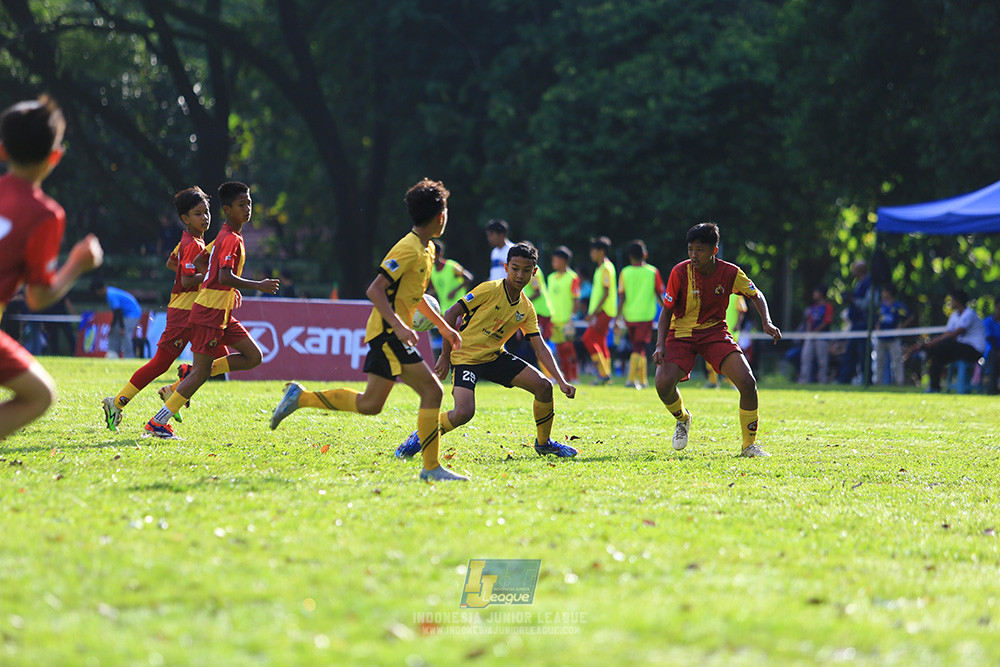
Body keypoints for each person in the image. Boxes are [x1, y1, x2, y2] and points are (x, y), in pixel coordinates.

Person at [269, 179, 466, 482]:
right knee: (432, 390)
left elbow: (415, 300)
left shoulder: (426, 250)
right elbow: (375, 290)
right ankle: (430, 468)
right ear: (440, 215)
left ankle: (301, 397)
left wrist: (444, 329)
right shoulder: (407, 248)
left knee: (370, 405)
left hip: (390, 333)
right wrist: (399, 326)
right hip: (388, 333)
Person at [393, 242, 578, 460]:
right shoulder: (489, 289)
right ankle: (421, 435)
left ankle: (544, 443)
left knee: (544, 387)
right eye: (515, 268)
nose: (520, 275)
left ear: (534, 273)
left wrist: (561, 380)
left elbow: (540, 347)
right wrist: (445, 355)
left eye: (526, 270)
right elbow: (451, 314)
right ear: (506, 267)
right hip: (466, 357)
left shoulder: (526, 308)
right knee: (463, 412)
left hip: (494, 356)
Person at [0, 95, 103, 439]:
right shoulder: (45, 214)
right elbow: (38, 298)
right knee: (40, 395)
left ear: (3, 151)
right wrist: (77, 264)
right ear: (55, 156)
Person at [143, 181, 280, 437]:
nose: (248, 209)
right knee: (202, 372)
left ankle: (185, 376)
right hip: (210, 313)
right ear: (227, 209)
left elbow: (200, 261)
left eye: (249, 203)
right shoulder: (229, 238)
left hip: (222, 312)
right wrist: (256, 285)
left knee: (254, 357)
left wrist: (214, 281)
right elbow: (225, 275)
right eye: (242, 205)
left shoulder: (226, 236)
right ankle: (158, 422)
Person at [102, 186, 229, 431]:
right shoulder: (192, 244)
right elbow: (185, 280)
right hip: (185, 313)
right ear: (185, 219)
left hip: (195, 311)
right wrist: (209, 275)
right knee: (164, 364)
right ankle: (118, 402)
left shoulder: (191, 242)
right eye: (198, 213)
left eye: (206, 212)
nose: (205, 217)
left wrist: (194, 271)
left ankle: (174, 387)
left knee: (216, 355)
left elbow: (172, 263)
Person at [653, 223, 781, 458]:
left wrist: (767, 322)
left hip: (715, 333)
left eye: (699, 249)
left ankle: (749, 445)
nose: (693, 255)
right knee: (662, 384)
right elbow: (666, 311)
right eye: (690, 249)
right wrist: (660, 344)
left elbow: (756, 293)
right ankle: (683, 418)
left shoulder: (731, 272)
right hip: (680, 334)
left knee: (747, 382)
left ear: (714, 250)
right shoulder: (680, 272)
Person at [616, 240, 664, 389]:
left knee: (638, 347)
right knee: (639, 347)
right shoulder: (652, 272)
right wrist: (667, 310)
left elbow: (622, 296)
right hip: (645, 315)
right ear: (645, 254)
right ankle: (631, 380)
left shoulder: (625, 272)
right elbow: (659, 293)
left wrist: (618, 316)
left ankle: (642, 380)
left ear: (629, 256)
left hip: (629, 316)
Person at [918, 289, 985, 393]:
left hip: (974, 350)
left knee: (939, 346)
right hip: (960, 348)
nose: (950, 303)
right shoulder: (954, 316)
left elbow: (954, 334)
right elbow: (948, 333)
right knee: (937, 353)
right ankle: (934, 386)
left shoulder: (969, 314)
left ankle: (936, 384)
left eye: (952, 300)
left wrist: (932, 343)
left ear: (958, 301)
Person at [582, 236, 617, 384]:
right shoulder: (601, 268)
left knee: (587, 338)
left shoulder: (606, 268)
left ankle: (603, 374)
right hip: (602, 311)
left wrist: (593, 313)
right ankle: (606, 374)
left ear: (601, 251)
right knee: (601, 342)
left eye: (593, 251)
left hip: (603, 311)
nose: (591, 254)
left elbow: (606, 293)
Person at [547, 246, 580, 382]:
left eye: (555, 260)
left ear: (563, 260)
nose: (553, 262)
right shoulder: (551, 278)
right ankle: (564, 376)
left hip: (567, 320)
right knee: (560, 351)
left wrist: (572, 318)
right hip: (554, 320)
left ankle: (574, 376)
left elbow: (576, 299)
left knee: (569, 350)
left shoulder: (573, 277)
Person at [837, 259, 872, 384]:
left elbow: (869, 304)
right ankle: (844, 379)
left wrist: (853, 300)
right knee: (850, 353)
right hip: (855, 324)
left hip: (864, 324)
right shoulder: (858, 283)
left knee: (863, 353)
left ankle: (867, 380)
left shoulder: (869, 284)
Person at [874, 286, 914, 386]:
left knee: (897, 361)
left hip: (894, 339)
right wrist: (877, 327)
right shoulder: (880, 306)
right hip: (881, 338)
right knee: (879, 361)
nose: (882, 294)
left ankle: (899, 382)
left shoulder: (898, 306)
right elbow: (876, 319)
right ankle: (877, 382)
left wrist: (901, 327)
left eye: (884, 291)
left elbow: (910, 316)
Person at [92, 279, 142, 358]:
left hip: (132, 314)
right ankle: (112, 355)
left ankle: (129, 357)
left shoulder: (111, 295)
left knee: (125, 334)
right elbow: (117, 313)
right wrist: (113, 327)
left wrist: (122, 327)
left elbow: (118, 311)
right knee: (113, 333)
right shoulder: (109, 293)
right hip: (124, 314)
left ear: (98, 290)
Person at [798, 286, 834, 384]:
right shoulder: (814, 307)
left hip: (822, 337)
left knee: (822, 361)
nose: (814, 294)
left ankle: (823, 381)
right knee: (806, 358)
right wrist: (809, 332)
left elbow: (827, 321)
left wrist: (816, 331)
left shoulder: (828, 307)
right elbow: (809, 321)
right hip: (811, 336)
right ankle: (804, 381)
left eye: (816, 292)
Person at [429, 238, 472, 310]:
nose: (431, 257)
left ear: (440, 254)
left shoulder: (451, 266)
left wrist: (454, 291)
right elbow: (435, 289)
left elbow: (469, 278)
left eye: (433, 254)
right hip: (445, 309)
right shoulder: (431, 271)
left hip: (459, 308)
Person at [982, 295, 1000, 394]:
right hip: (991, 352)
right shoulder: (988, 322)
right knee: (994, 358)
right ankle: (992, 389)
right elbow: (989, 338)